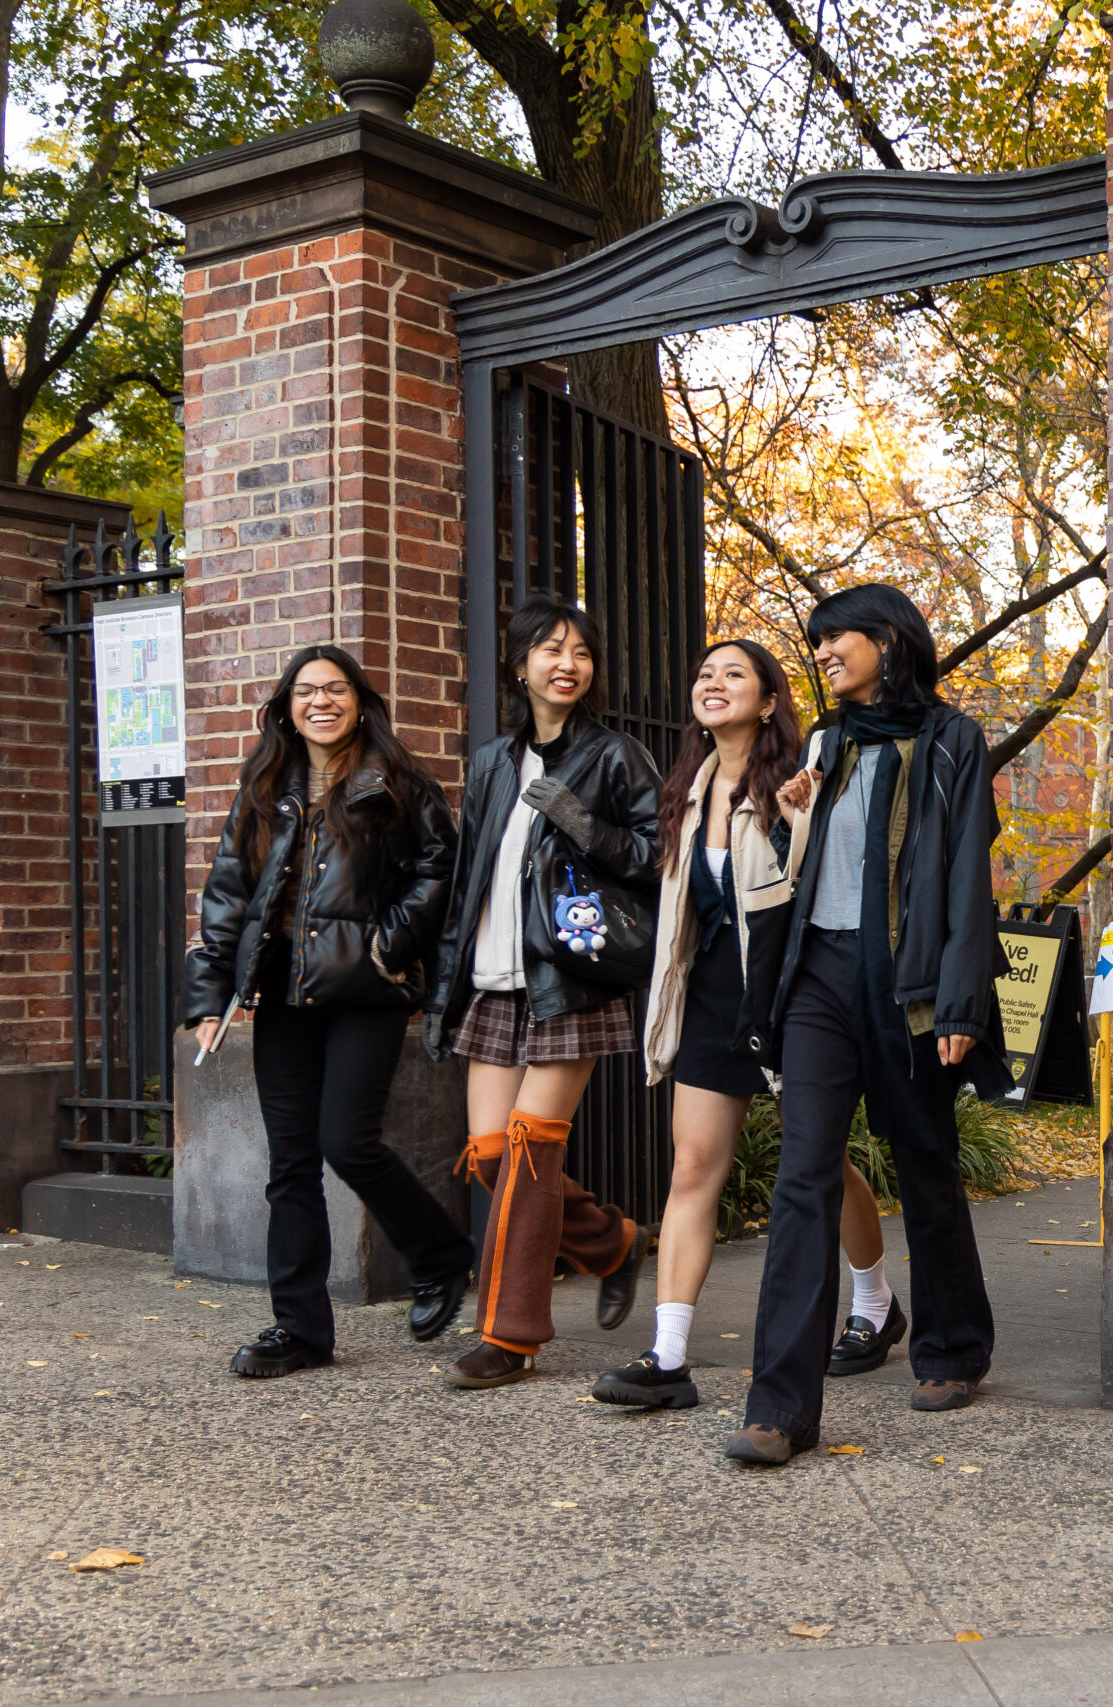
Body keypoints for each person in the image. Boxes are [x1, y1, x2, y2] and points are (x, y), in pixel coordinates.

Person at [725, 584, 1013, 1466]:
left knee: (924, 1158)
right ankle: (778, 1407)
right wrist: (790, 813)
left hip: (910, 982)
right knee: (804, 1174)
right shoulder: (824, 742)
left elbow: (966, 872)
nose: (819, 655)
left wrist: (961, 999)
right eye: (814, 646)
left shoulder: (951, 740)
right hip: (819, 973)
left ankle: (955, 1345)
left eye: (833, 639)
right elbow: (801, 865)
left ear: (888, 639)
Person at [592, 640, 901, 1413]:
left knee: (816, 1156)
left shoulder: (804, 774)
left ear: (768, 701)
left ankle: (874, 1301)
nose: (712, 683)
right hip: (713, 998)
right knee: (693, 1164)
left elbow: (831, 882)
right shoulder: (687, 789)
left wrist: (800, 817)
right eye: (703, 673)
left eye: (734, 673)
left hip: (795, 993)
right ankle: (668, 1357)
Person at [185, 645, 471, 1379]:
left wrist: (389, 943)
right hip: (283, 991)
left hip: (365, 991)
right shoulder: (265, 783)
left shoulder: (395, 781)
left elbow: (442, 868)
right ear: (287, 706)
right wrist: (210, 994)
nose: (321, 701)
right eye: (306, 690)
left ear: (358, 699)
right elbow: (226, 894)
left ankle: (438, 1253)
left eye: (335, 689)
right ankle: (301, 1329)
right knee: (290, 1162)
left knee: (347, 1141)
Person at [425, 595, 663, 1390]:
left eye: (581, 652)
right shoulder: (492, 761)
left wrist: (579, 821)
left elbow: (657, 856)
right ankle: (610, 1241)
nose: (568, 663)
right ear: (519, 663)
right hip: (494, 979)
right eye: (551, 649)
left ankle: (510, 1335)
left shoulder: (614, 755)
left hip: (572, 978)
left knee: (529, 1153)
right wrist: (446, 983)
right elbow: (471, 876)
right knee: (492, 1155)